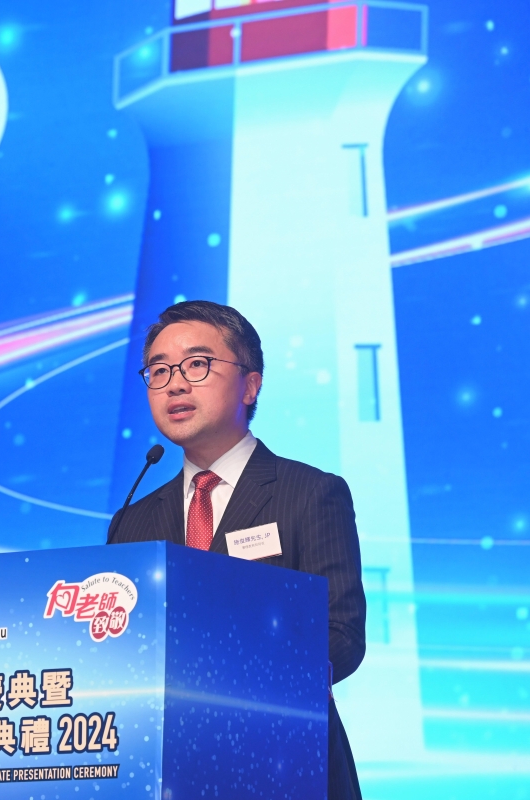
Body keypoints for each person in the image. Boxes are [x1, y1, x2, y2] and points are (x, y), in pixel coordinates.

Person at [107, 299, 367, 800]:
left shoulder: (310, 493)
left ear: (250, 385)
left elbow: (341, 634)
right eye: (159, 371)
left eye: (196, 365)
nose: (175, 384)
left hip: (285, 760)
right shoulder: (131, 522)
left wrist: (228, 677)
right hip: (163, 769)